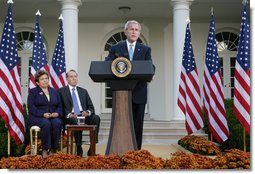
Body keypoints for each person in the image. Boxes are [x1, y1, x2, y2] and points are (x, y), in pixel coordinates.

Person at [105, 20, 154, 150]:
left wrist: (151, 71)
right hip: (121, 93)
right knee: (121, 124)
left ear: (139, 33)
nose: (134, 32)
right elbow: (107, 65)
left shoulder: (145, 49)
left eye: (136, 30)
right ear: (126, 31)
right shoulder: (116, 48)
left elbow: (150, 67)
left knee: (137, 124)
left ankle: (136, 151)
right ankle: (119, 149)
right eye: (131, 29)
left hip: (139, 93)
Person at [58, 69, 100, 157]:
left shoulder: (83, 91)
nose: (74, 79)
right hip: (70, 117)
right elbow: (60, 107)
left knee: (96, 118)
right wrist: (69, 114)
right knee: (75, 120)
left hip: (83, 115)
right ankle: (79, 146)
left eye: (75, 76)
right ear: (67, 79)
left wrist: (87, 112)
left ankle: (92, 146)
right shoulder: (61, 91)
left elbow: (91, 107)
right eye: (71, 77)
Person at [27, 70, 63, 158]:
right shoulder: (33, 92)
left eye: (46, 78)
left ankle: (54, 149)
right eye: (42, 79)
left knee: (57, 123)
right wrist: (43, 114)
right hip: (37, 116)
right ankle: (45, 149)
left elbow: (59, 105)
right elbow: (31, 107)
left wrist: (57, 113)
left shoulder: (54, 91)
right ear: (37, 82)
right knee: (46, 123)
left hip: (52, 116)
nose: (45, 80)